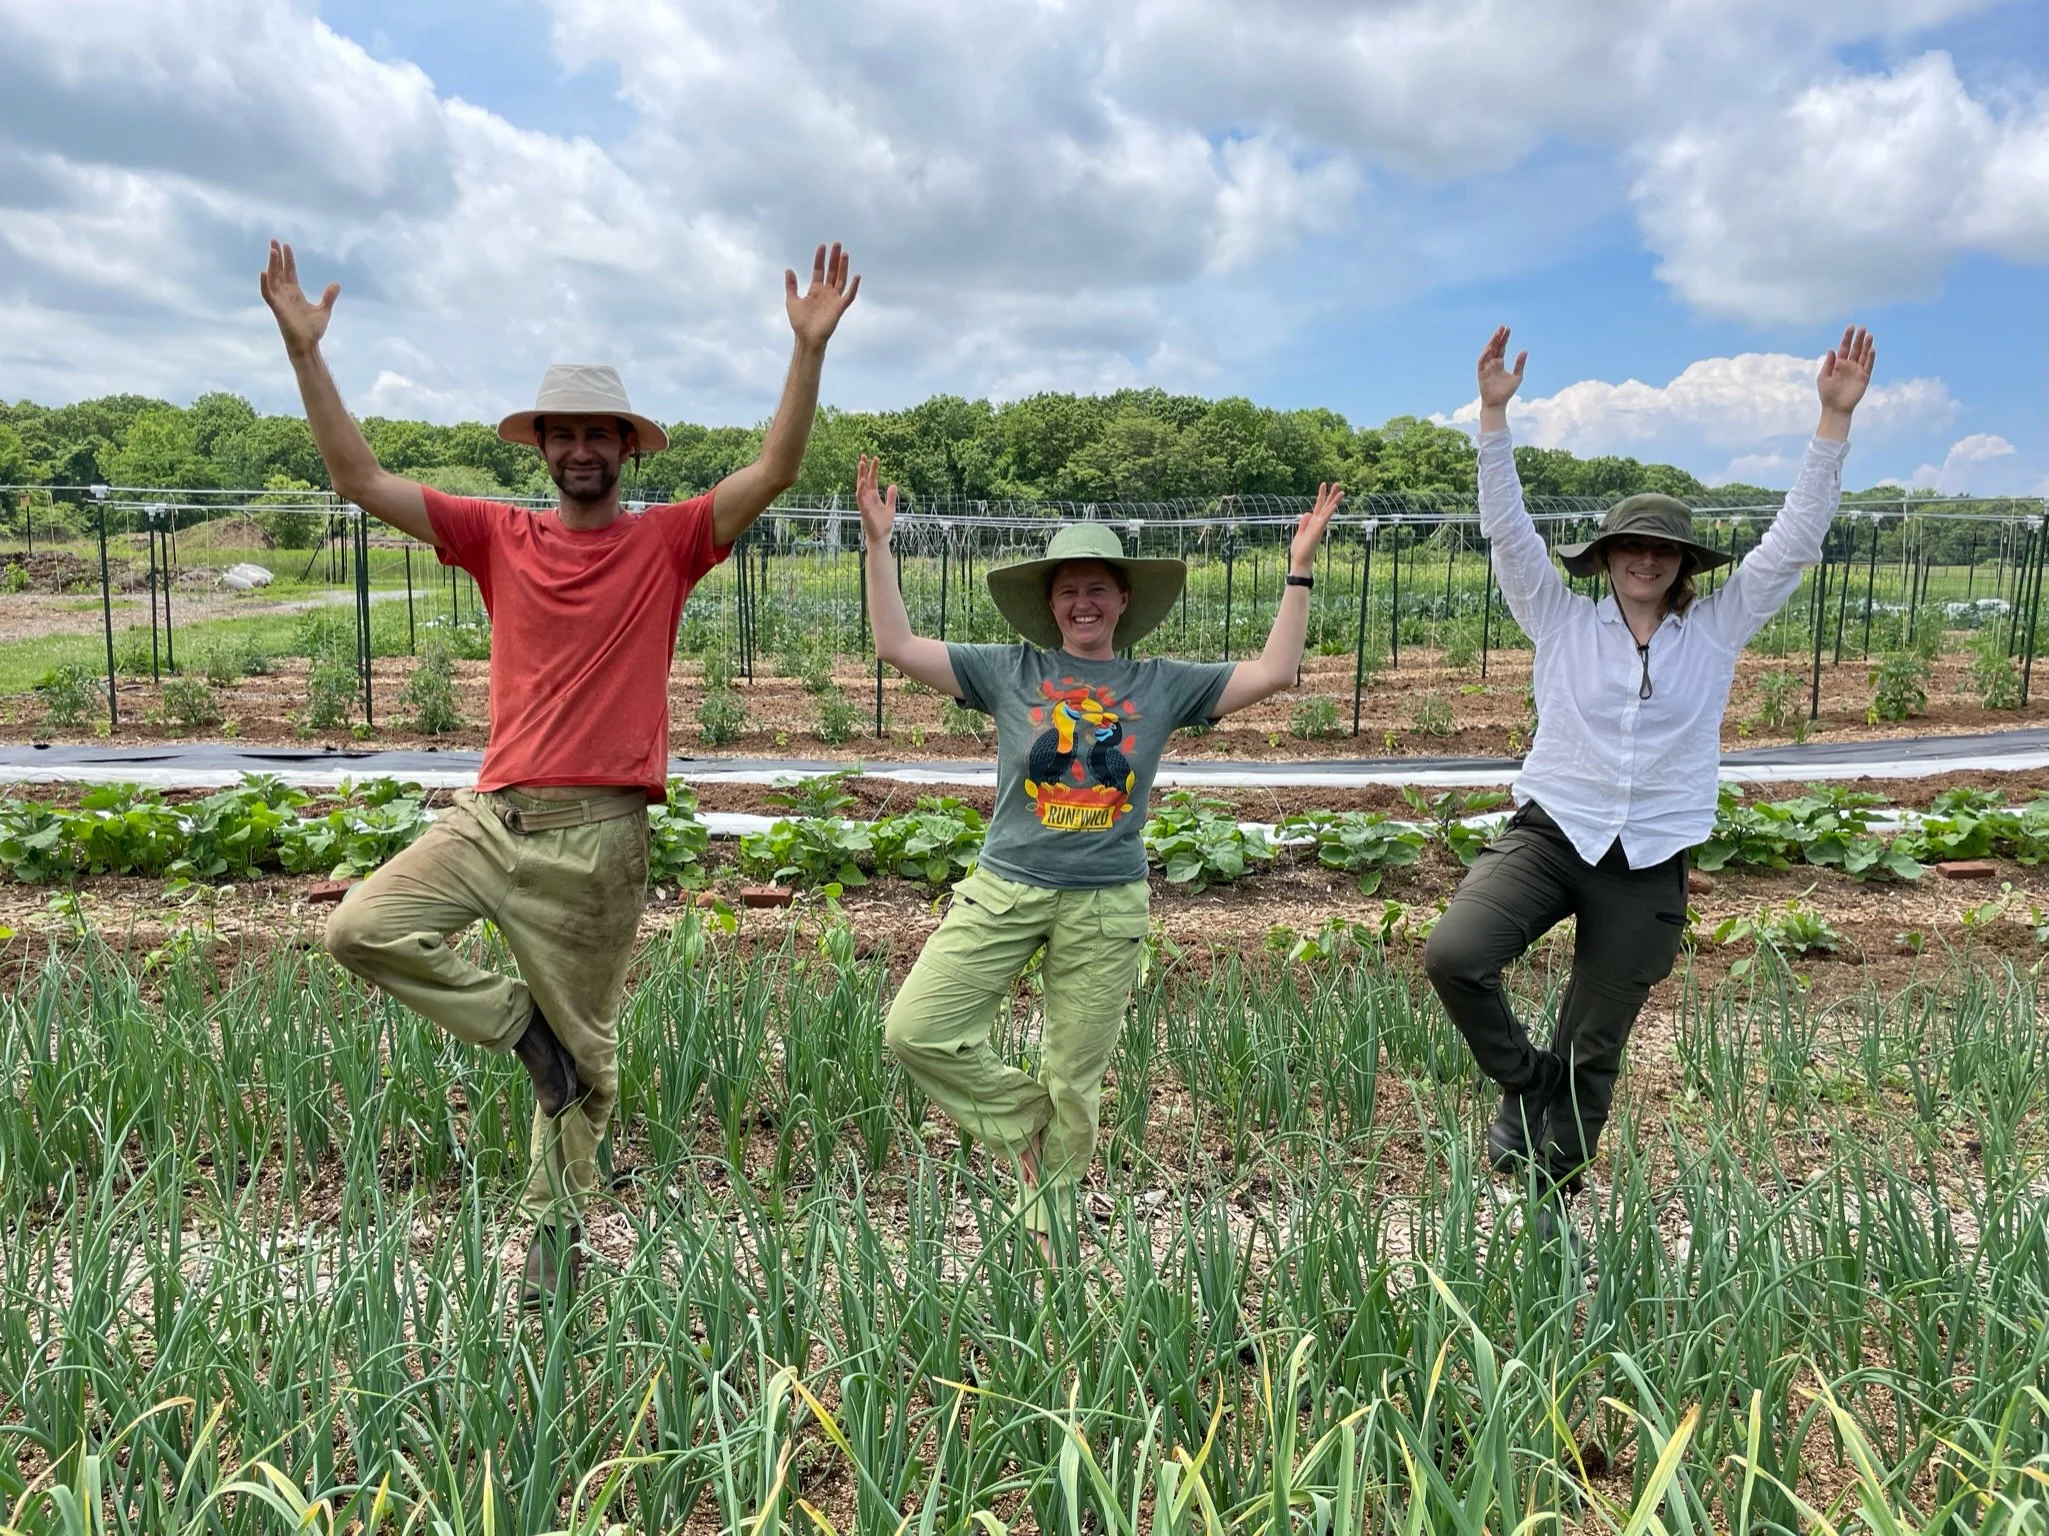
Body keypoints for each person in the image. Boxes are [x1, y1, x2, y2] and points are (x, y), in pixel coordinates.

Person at [261, 238, 861, 1301]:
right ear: (542, 446)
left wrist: (805, 350)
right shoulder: (497, 536)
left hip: (598, 838)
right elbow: (357, 477)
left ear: (626, 449)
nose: (582, 448)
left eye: (600, 433)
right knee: (359, 928)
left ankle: (556, 1245)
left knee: (586, 1067)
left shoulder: (671, 543)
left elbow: (774, 472)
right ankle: (516, 1030)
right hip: (490, 817)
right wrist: (303, 348)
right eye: (565, 432)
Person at [1423, 323, 1876, 1249]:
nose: (1646, 558)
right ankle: (1524, 1080)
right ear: (1605, 556)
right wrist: (1493, 418)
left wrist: (1829, 424)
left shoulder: (1714, 629)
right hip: (1553, 834)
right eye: (1630, 545)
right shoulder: (1558, 619)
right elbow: (1508, 534)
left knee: (1596, 1046)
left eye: (1662, 549)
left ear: (1681, 563)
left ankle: (1552, 1209)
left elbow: (1791, 544)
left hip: (1650, 858)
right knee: (1455, 955)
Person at [859, 453, 1343, 1258]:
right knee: (915, 1030)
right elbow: (895, 643)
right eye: (1066, 589)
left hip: (1106, 902)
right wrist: (879, 543)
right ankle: (1023, 1127)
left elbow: (1276, 672)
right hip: (1005, 887)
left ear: (1123, 599)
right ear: (1049, 604)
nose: (1081, 602)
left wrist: (1298, 571)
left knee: (1074, 1078)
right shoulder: (1010, 669)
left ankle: (1052, 1250)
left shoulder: (1160, 684)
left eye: (1096, 587)